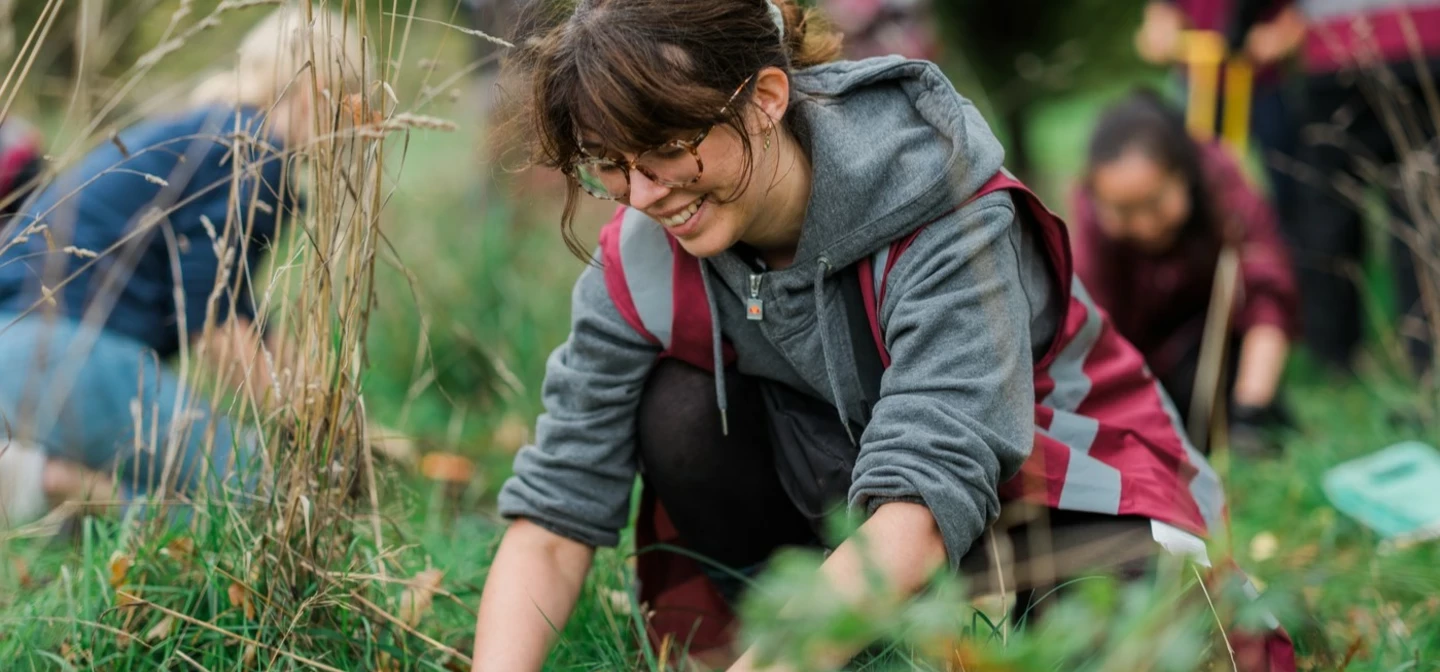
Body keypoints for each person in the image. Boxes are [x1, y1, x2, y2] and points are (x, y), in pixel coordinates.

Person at [473, 1, 1294, 670]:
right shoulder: (644, 245)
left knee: (1134, 631)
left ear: (764, 97)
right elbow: (554, 508)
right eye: (607, 165)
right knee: (678, 407)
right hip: (845, 481)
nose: (644, 193)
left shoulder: (935, 199)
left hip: (1052, 478)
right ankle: (804, 632)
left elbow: (927, 487)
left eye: (668, 150)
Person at [0, 6, 366, 528]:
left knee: (195, 488)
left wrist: (322, 401)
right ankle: (102, 507)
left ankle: (73, 493)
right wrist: (313, 434)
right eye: (352, 107)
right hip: (63, 353)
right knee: (266, 495)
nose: (355, 129)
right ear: (318, 90)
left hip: (19, 351)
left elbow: (239, 311)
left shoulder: (211, 136)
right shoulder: (252, 149)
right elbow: (215, 326)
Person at [1069, 90, 1300, 455]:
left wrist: (1250, 413)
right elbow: (1094, 333)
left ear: (1184, 177)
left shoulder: (1220, 178)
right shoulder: (1091, 221)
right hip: (1143, 373)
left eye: (1155, 204)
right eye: (1125, 213)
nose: (1145, 227)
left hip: (1222, 354)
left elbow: (1268, 295)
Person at [1274, 0, 1440, 373]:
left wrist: (1250, 23)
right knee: (1422, 207)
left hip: (1337, 46)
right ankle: (1425, 359)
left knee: (1329, 209)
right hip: (1422, 43)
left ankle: (1337, 360)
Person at [1134, 0, 1306, 250]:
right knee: (1192, 182)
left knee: (1287, 187)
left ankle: (1289, 259)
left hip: (1260, 85)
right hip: (1197, 89)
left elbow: (1297, 19)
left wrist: (1275, 38)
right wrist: (1164, 36)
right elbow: (1154, 29)